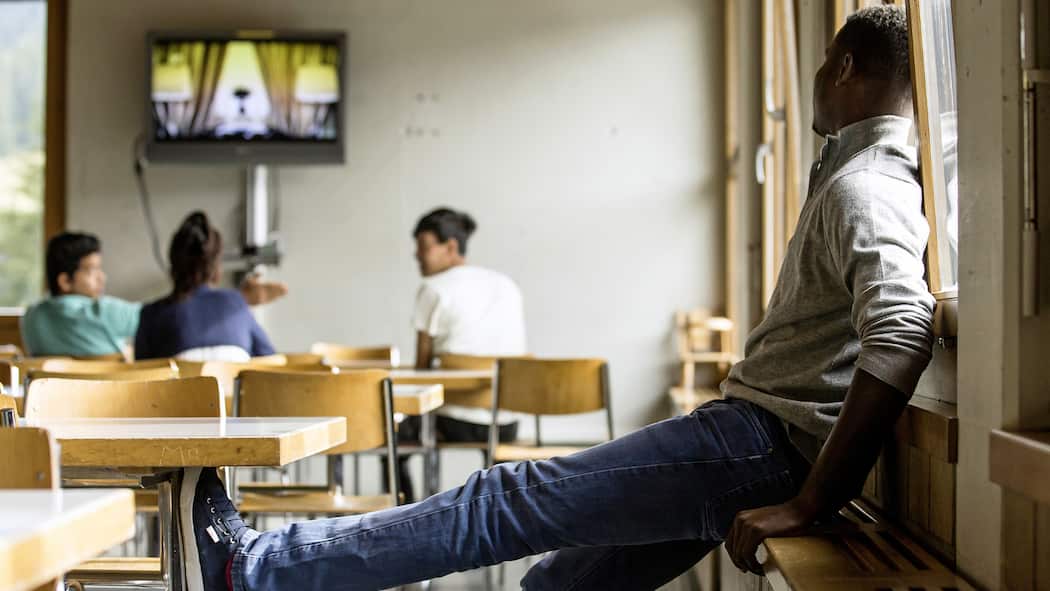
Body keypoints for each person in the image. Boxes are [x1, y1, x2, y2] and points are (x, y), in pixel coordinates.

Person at [177, 7, 935, 590]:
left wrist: (809, 502)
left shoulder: (865, 184)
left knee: (500, 497)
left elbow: (902, 330)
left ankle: (257, 568)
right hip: (755, 445)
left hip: (758, 446)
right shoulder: (860, 177)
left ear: (842, 66)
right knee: (563, 582)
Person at [394, 207, 527, 501]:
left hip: (454, 424)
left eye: (424, 247)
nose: (417, 255)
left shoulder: (432, 288)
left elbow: (422, 369)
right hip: (506, 421)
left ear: (451, 247)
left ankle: (405, 516)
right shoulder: (506, 284)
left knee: (391, 443)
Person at [21, 231, 286, 358]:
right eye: (93, 271)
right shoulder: (105, 311)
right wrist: (241, 301)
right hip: (108, 414)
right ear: (65, 281)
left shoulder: (31, 318)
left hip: (53, 426)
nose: (103, 277)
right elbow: (169, 316)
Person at [135, 212, 277, 361]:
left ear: (174, 265)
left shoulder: (151, 316)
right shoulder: (236, 303)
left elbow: (139, 379)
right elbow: (271, 363)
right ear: (216, 267)